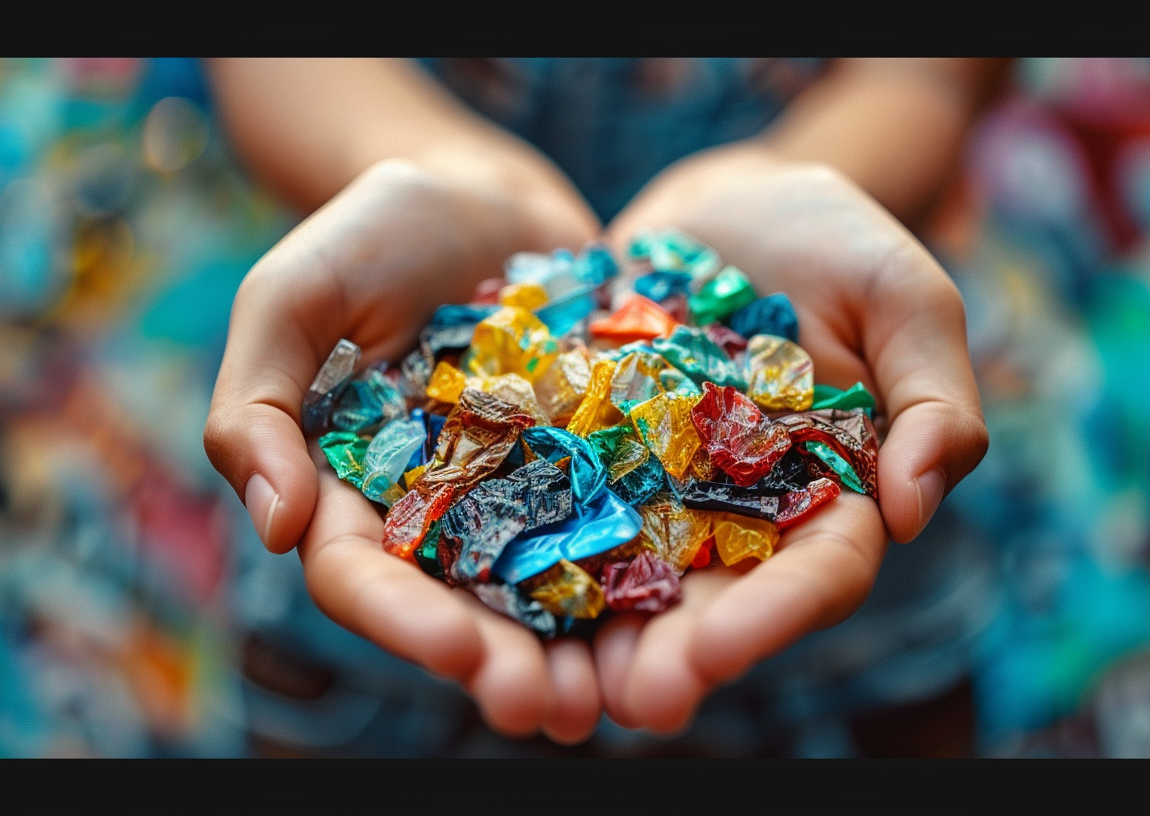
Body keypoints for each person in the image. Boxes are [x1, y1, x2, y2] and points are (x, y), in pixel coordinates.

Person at [201, 58, 999, 749]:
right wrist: (434, 166)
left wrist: (817, 177)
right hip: (363, 683)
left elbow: (930, 69)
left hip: (857, 664)